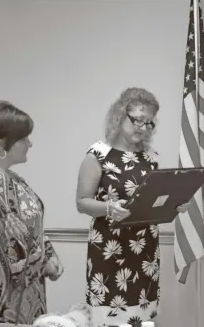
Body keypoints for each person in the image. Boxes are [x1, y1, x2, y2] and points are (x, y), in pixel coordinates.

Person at [76, 87, 189, 326]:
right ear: (119, 116)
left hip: (145, 250)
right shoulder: (98, 154)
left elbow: (154, 200)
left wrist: (173, 204)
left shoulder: (151, 157)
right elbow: (82, 202)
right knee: (109, 319)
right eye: (138, 120)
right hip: (109, 249)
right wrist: (109, 207)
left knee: (142, 319)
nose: (143, 127)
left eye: (149, 123)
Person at [0, 100, 64, 324]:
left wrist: (49, 253)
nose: (29, 144)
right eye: (23, 139)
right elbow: (13, 240)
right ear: (2, 144)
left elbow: (32, 225)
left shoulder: (11, 178)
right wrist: (45, 262)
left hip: (21, 288)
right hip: (1, 292)